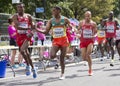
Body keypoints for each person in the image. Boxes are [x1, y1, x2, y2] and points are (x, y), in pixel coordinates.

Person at [36, 6, 72, 80]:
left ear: (59, 11)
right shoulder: (51, 21)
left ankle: (62, 73)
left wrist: (70, 27)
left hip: (64, 40)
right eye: (52, 11)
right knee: (52, 55)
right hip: (56, 40)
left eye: (54, 10)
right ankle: (60, 57)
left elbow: (70, 26)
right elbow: (46, 31)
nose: (53, 12)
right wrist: (37, 29)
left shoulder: (65, 19)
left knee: (62, 58)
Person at [12, 3, 37, 78]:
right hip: (19, 37)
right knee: (27, 53)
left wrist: (32, 32)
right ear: (17, 9)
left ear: (24, 8)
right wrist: (28, 29)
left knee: (22, 51)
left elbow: (33, 27)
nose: (20, 9)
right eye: (18, 8)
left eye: (21, 7)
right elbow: (17, 27)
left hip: (27, 36)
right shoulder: (15, 16)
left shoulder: (28, 16)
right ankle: (33, 68)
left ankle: (28, 66)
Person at [78, 11, 97, 76]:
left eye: (88, 16)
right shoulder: (81, 23)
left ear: (90, 16)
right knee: (83, 57)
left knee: (88, 54)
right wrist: (78, 33)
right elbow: (78, 30)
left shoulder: (93, 24)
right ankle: (89, 61)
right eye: (86, 16)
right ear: (84, 16)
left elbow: (96, 32)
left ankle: (90, 70)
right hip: (83, 41)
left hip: (90, 41)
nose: (87, 17)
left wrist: (94, 36)